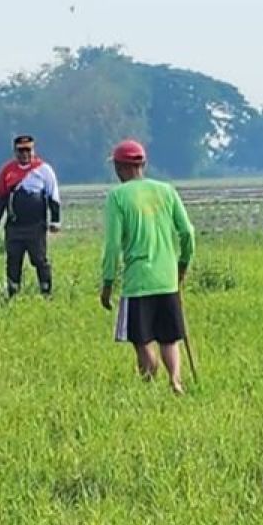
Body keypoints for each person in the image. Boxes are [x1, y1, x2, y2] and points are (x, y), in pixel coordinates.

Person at [100, 140, 195, 395]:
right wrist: (182, 264)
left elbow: (112, 246)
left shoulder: (117, 196)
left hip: (137, 281)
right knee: (169, 337)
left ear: (120, 167)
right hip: (167, 277)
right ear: (143, 164)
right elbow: (187, 232)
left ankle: (149, 381)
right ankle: (175, 380)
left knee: (140, 340)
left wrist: (107, 283)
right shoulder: (167, 191)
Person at [0, 134, 62, 297]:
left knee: (39, 259)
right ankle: (13, 292)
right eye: (20, 151)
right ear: (15, 152)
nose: (24, 154)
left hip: (36, 226)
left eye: (27, 150)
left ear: (33, 150)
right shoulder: (7, 171)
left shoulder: (44, 170)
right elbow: (1, 197)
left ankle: (46, 291)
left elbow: (53, 196)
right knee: (13, 260)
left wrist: (55, 221)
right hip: (14, 226)